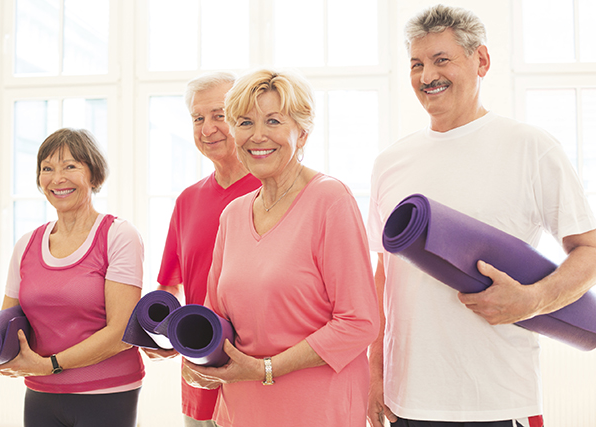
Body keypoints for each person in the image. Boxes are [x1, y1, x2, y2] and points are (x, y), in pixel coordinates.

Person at [367, 4, 596, 427]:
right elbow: (385, 274)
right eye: (416, 64)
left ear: (482, 61)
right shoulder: (390, 162)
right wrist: (375, 370)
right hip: (408, 399)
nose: (426, 76)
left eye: (441, 60)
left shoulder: (530, 146)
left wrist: (534, 300)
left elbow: (590, 250)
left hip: (498, 398)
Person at [181, 68, 380, 427]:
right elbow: (216, 316)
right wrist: (191, 353)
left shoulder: (329, 200)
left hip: (317, 409)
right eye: (244, 122)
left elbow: (359, 322)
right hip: (240, 410)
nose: (257, 136)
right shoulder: (234, 214)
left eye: (273, 121)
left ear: (301, 133)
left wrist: (264, 369)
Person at [0, 128, 145, 427]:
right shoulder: (26, 244)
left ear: (94, 174)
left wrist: (50, 365)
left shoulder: (118, 235)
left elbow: (121, 334)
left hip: (107, 391)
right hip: (41, 391)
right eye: (47, 168)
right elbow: (10, 320)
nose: (57, 178)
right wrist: (0, 352)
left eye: (70, 166)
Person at [149, 72, 261, 427]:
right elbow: (170, 286)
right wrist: (157, 332)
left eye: (219, 115)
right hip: (200, 375)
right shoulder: (187, 200)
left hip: (258, 375)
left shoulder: (271, 190)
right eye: (198, 118)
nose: (207, 128)